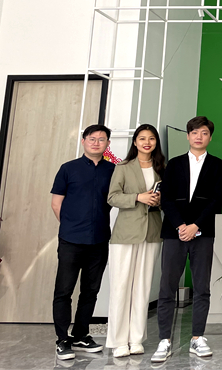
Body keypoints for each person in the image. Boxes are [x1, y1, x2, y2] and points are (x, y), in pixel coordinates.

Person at [152, 116, 222, 363]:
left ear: (210, 137)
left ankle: (197, 338)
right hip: (174, 232)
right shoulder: (174, 164)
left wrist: (196, 225)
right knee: (167, 287)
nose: (199, 137)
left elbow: (216, 199)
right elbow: (166, 198)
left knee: (202, 287)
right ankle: (164, 340)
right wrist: (181, 226)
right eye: (194, 132)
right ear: (187, 136)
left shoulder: (217, 165)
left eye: (204, 133)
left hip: (202, 233)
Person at [50, 124, 115, 361]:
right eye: (92, 138)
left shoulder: (113, 170)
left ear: (108, 144)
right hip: (71, 240)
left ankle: (80, 335)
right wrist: (71, 225)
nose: (96, 142)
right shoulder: (68, 169)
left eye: (101, 139)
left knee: (90, 291)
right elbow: (56, 203)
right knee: (64, 290)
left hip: (99, 239)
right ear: (83, 141)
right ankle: (62, 339)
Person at [106, 124, 165, 358]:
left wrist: (158, 200)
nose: (147, 142)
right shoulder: (123, 167)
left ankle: (136, 338)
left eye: (151, 138)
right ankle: (119, 341)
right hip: (126, 234)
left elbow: (167, 198)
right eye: (142, 138)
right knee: (121, 286)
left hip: (152, 232)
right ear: (135, 142)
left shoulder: (161, 168)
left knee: (142, 287)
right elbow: (112, 197)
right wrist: (138, 197)